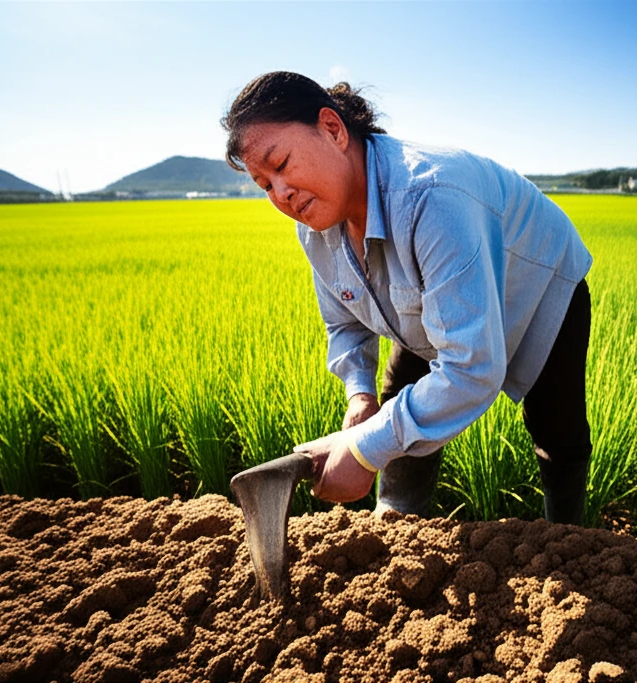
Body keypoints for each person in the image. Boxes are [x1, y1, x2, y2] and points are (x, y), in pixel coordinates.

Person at [221, 71, 594, 525]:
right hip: (419, 304)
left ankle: (571, 539)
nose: (281, 194)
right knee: (398, 406)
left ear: (333, 129)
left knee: (557, 428)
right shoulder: (316, 226)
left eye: (281, 165)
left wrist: (360, 453)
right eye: (265, 186)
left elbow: (472, 369)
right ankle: (397, 526)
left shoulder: (431, 196)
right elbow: (345, 322)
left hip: (537, 279)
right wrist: (359, 395)